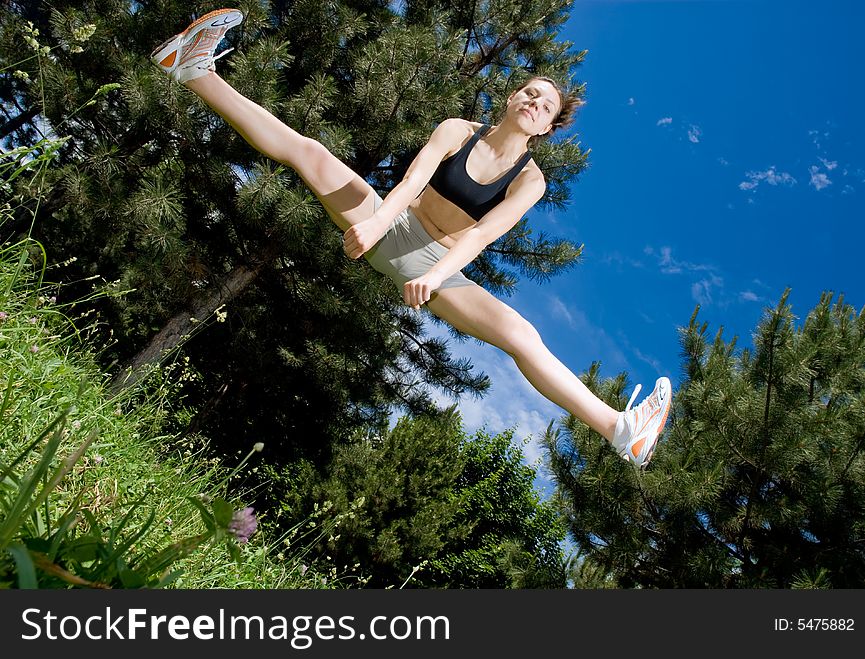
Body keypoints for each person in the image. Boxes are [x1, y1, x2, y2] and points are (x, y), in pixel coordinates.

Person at [151, 8, 672, 468]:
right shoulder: (457, 130)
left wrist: (437, 275)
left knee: (521, 336)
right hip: (393, 221)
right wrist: (376, 223)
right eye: (530, 92)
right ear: (513, 97)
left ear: (548, 126)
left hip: (440, 263)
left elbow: (483, 235)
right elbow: (410, 183)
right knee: (309, 152)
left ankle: (620, 431)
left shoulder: (531, 181)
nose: (534, 102)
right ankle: (195, 71)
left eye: (546, 105)